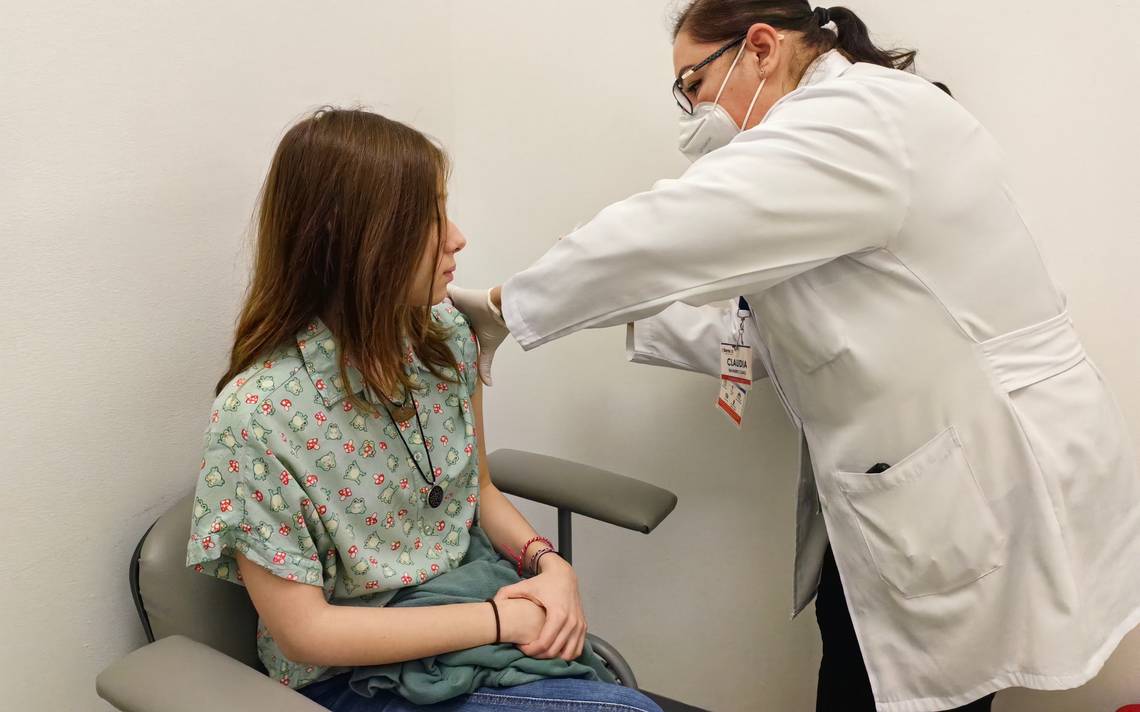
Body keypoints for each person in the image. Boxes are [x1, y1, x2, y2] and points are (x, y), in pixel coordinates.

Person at [447, 2, 1140, 711]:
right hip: (935, 473)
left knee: (896, 687)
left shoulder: (855, 122)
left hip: (976, 474)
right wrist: (631, 324)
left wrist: (508, 307)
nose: (691, 113)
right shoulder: (848, 135)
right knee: (865, 666)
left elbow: (668, 232)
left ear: (761, 48)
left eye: (693, 83)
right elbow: (806, 340)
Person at [185, 108, 663, 712]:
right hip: (355, 674)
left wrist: (549, 565)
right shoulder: (257, 416)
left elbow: (477, 490)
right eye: (429, 218)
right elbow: (306, 633)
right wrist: (497, 621)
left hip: (473, 604)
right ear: (354, 239)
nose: (457, 236)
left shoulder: (443, 339)